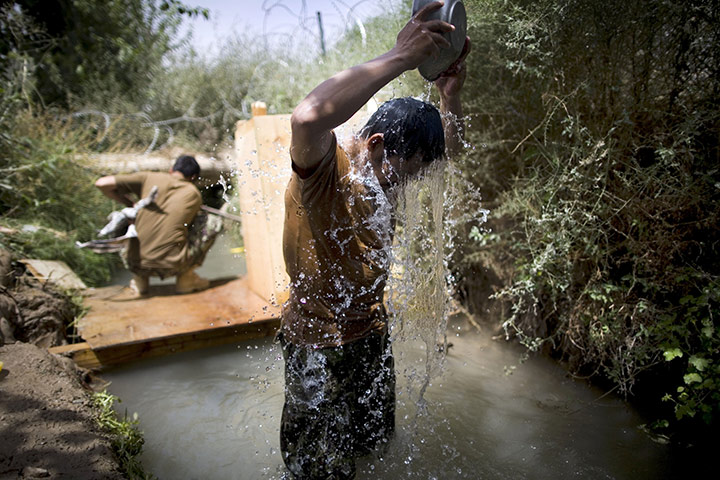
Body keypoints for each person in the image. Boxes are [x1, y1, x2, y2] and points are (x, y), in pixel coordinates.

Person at [278, 2, 470, 478]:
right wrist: (401, 56)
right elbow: (306, 117)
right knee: (318, 470)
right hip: (317, 344)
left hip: (370, 336)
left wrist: (450, 96)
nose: (410, 186)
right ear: (379, 145)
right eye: (409, 173)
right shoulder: (328, 173)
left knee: (375, 449)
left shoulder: (385, 178)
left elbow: (451, 157)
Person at [95, 155, 218, 295]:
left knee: (123, 218)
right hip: (174, 265)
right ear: (193, 177)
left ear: (171, 170)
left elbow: (102, 183)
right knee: (212, 221)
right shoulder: (194, 194)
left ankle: (140, 281)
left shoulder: (149, 177)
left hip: (137, 264)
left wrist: (129, 203)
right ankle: (186, 278)